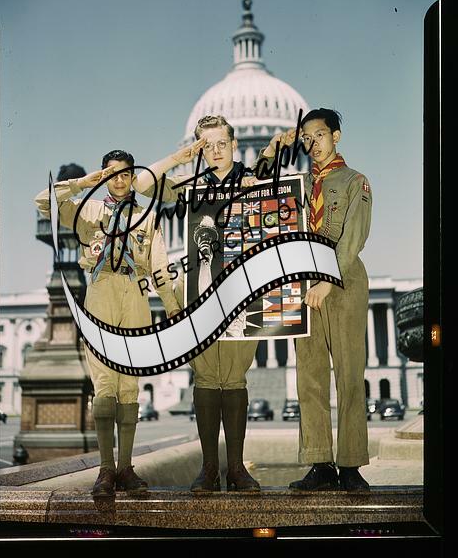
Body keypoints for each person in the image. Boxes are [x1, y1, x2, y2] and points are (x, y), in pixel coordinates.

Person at [134, 115, 295, 492]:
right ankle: (208, 469)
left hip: (242, 295)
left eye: (222, 143)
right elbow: (142, 184)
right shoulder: (191, 186)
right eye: (207, 146)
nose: (216, 151)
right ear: (198, 149)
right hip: (199, 294)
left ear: (235, 144)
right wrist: (179, 158)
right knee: (206, 379)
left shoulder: (254, 180)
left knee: (235, 379)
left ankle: (236, 468)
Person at [35, 150, 180, 497]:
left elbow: (159, 265)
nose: (119, 180)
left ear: (132, 177)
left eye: (125, 174)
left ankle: (126, 467)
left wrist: (172, 307)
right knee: (104, 386)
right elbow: (43, 202)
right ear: (103, 177)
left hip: (135, 293)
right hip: (100, 291)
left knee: (129, 385)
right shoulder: (87, 210)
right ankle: (105, 469)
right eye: (111, 174)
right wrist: (82, 183)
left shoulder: (146, 216)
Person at [287, 108, 372, 492]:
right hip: (304, 285)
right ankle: (320, 463)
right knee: (310, 378)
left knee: (349, 375)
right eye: (306, 139)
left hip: (343, 283)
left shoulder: (355, 181)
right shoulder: (296, 186)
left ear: (335, 136)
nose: (312, 144)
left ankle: (351, 465)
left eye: (319, 135)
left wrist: (326, 280)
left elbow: (354, 236)